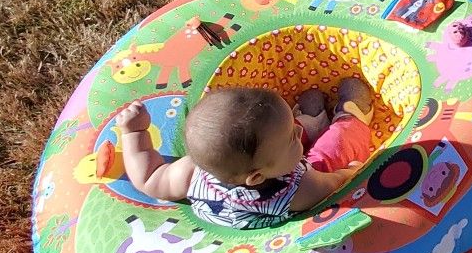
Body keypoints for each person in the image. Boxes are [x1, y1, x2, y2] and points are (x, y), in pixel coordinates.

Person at [116, 77, 374, 229]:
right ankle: (350, 119)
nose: (294, 132)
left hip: (273, 161)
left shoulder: (192, 171)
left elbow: (148, 178)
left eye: (293, 127)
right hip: (300, 177)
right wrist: (352, 170)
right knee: (327, 158)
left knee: (276, 140)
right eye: (292, 135)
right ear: (256, 177)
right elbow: (336, 184)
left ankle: (310, 122)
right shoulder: (297, 190)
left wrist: (133, 133)